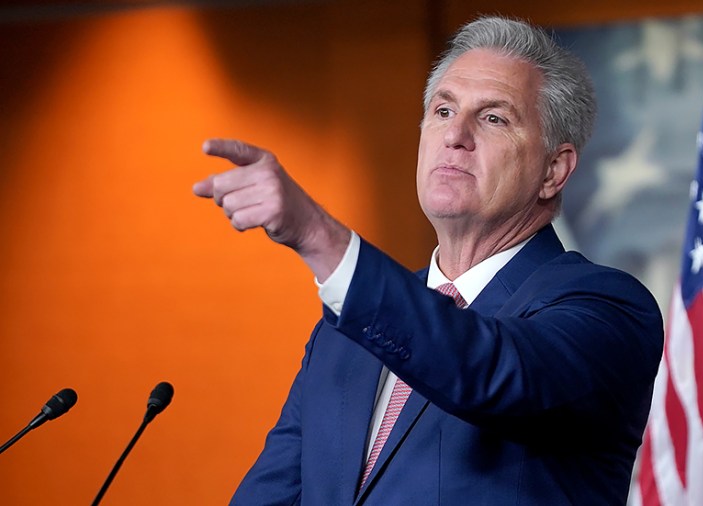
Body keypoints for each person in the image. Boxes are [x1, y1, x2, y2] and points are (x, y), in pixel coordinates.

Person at [194, 15, 663, 505]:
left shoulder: (609, 308)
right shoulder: (342, 334)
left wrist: (318, 235)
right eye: (442, 111)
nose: (455, 135)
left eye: (494, 118)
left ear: (553, 170)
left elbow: (492, 369)